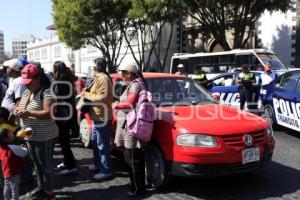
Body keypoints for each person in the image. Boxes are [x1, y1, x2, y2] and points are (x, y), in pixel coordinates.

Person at [14, 63, 58, 199]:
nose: (26, 85)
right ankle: (40, 187)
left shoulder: (47, 92)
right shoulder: (28, 92)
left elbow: (49, 112)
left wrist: (28, 113)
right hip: (30, 134)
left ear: (38, 79)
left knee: (45, 165)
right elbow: (20, 105)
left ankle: (49, 192)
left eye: (29, 82)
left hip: (44, 136)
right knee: (36, 165)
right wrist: (17, 110)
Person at [113, 61, 147, 197]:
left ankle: (138, 188)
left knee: (132, 158)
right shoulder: (135, 84)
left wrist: (116, 104)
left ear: (131, 73)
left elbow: (129, 104)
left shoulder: (135, 86)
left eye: (124, 73)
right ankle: (137, 185)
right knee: (132, 157)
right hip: (130, 125)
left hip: (132, 127)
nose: (122, 75)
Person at [81, 58, 113, 180]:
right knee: (95, 140)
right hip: (97, 116)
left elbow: (102, 97)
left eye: (92, 67)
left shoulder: (103, 78)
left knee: (102, 143)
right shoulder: (100, 78)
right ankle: (98, 165)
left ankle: (106, 170)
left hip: (101, 116)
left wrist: (87, 95)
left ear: (96, 67)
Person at [53, 61, 78, 175]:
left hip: (62, 114)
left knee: (64, 141)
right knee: (64, 140)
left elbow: (58, 98)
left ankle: (71, 165)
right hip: (67, 113)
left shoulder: (60, 82)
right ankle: (68, 162)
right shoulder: (68, 79)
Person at [0, 127, 27, 200]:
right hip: (14, 172)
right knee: (14, 188)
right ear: (6, 139)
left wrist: (19, 148)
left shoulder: (1, 148)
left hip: (5, 172)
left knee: (7, 186)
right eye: (9, 133)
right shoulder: (12, 147)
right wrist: (23, 148)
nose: (12, 133)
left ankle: (6, 198)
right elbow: (24, 153)